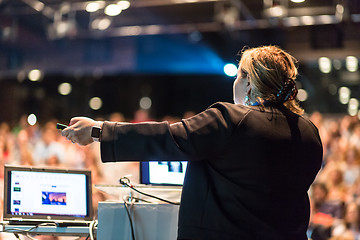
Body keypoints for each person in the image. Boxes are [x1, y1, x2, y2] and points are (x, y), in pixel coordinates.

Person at [61, 45, 323, 240]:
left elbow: (167, 137)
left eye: (238, 75)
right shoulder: (308, 132)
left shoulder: (231, 120)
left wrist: (98, 131)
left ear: (250, 82)